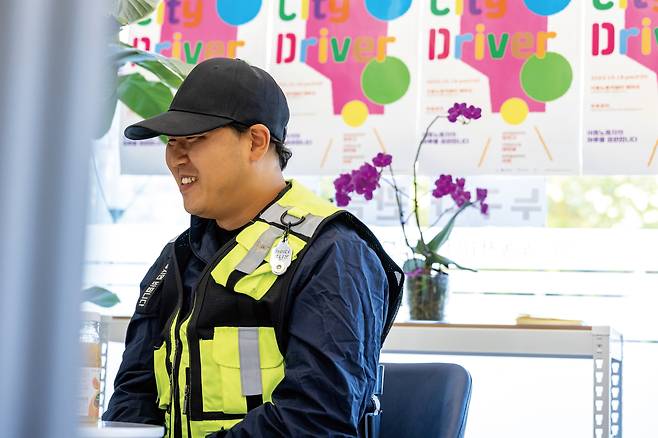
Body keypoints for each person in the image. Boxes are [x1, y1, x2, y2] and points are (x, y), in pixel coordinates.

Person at [102, 57, 403, 438]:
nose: (176, 158)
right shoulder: (176, 259)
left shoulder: (333, 255)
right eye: (172, 142)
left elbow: (316, 419)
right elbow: (132, 399)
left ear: (256, 142)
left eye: (195, 139)